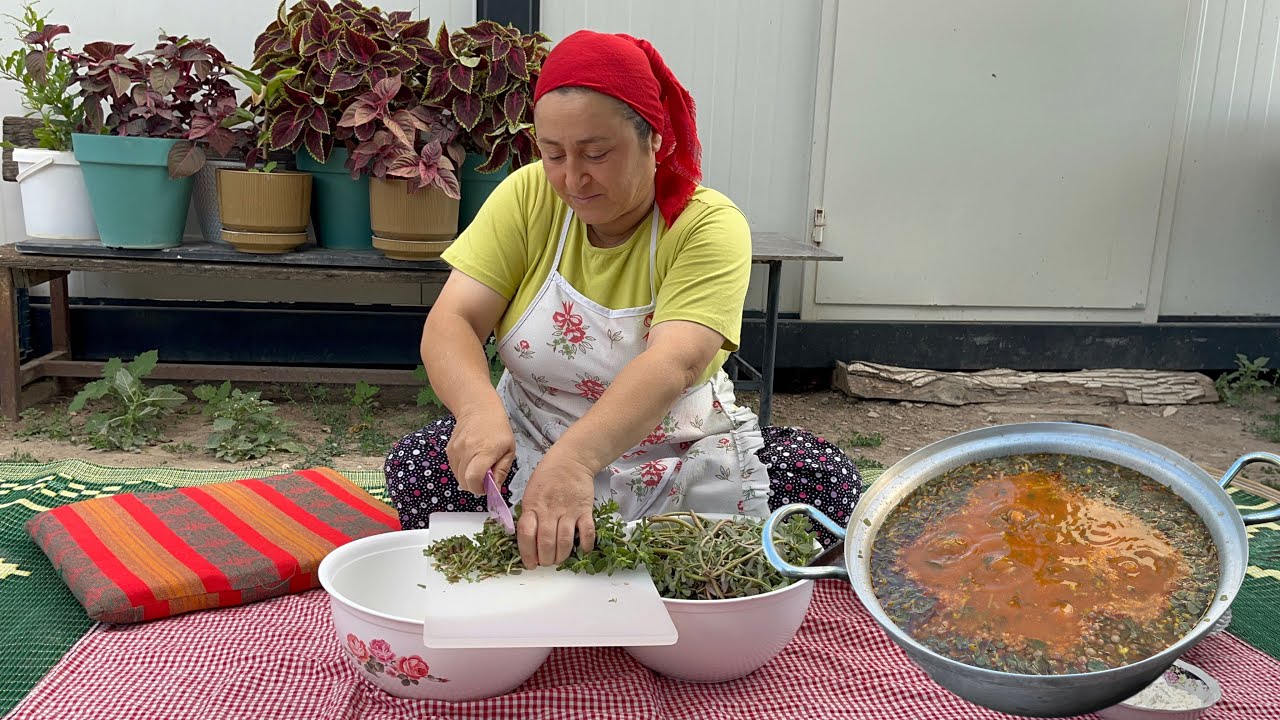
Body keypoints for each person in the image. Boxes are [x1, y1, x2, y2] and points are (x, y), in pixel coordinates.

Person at [385, 29, 862, 571]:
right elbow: (453, 319)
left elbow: (673, 362)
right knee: (418, 466)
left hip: (675, 447)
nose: (572, 178)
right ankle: (588, 551)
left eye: (596, 154)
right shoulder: (525, 198)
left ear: (654, 139)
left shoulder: (707, 225)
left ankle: (610, 551)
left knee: (820, 474)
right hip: (534, 434)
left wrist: (576, 463)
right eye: (553, 153)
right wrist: (477, 413)